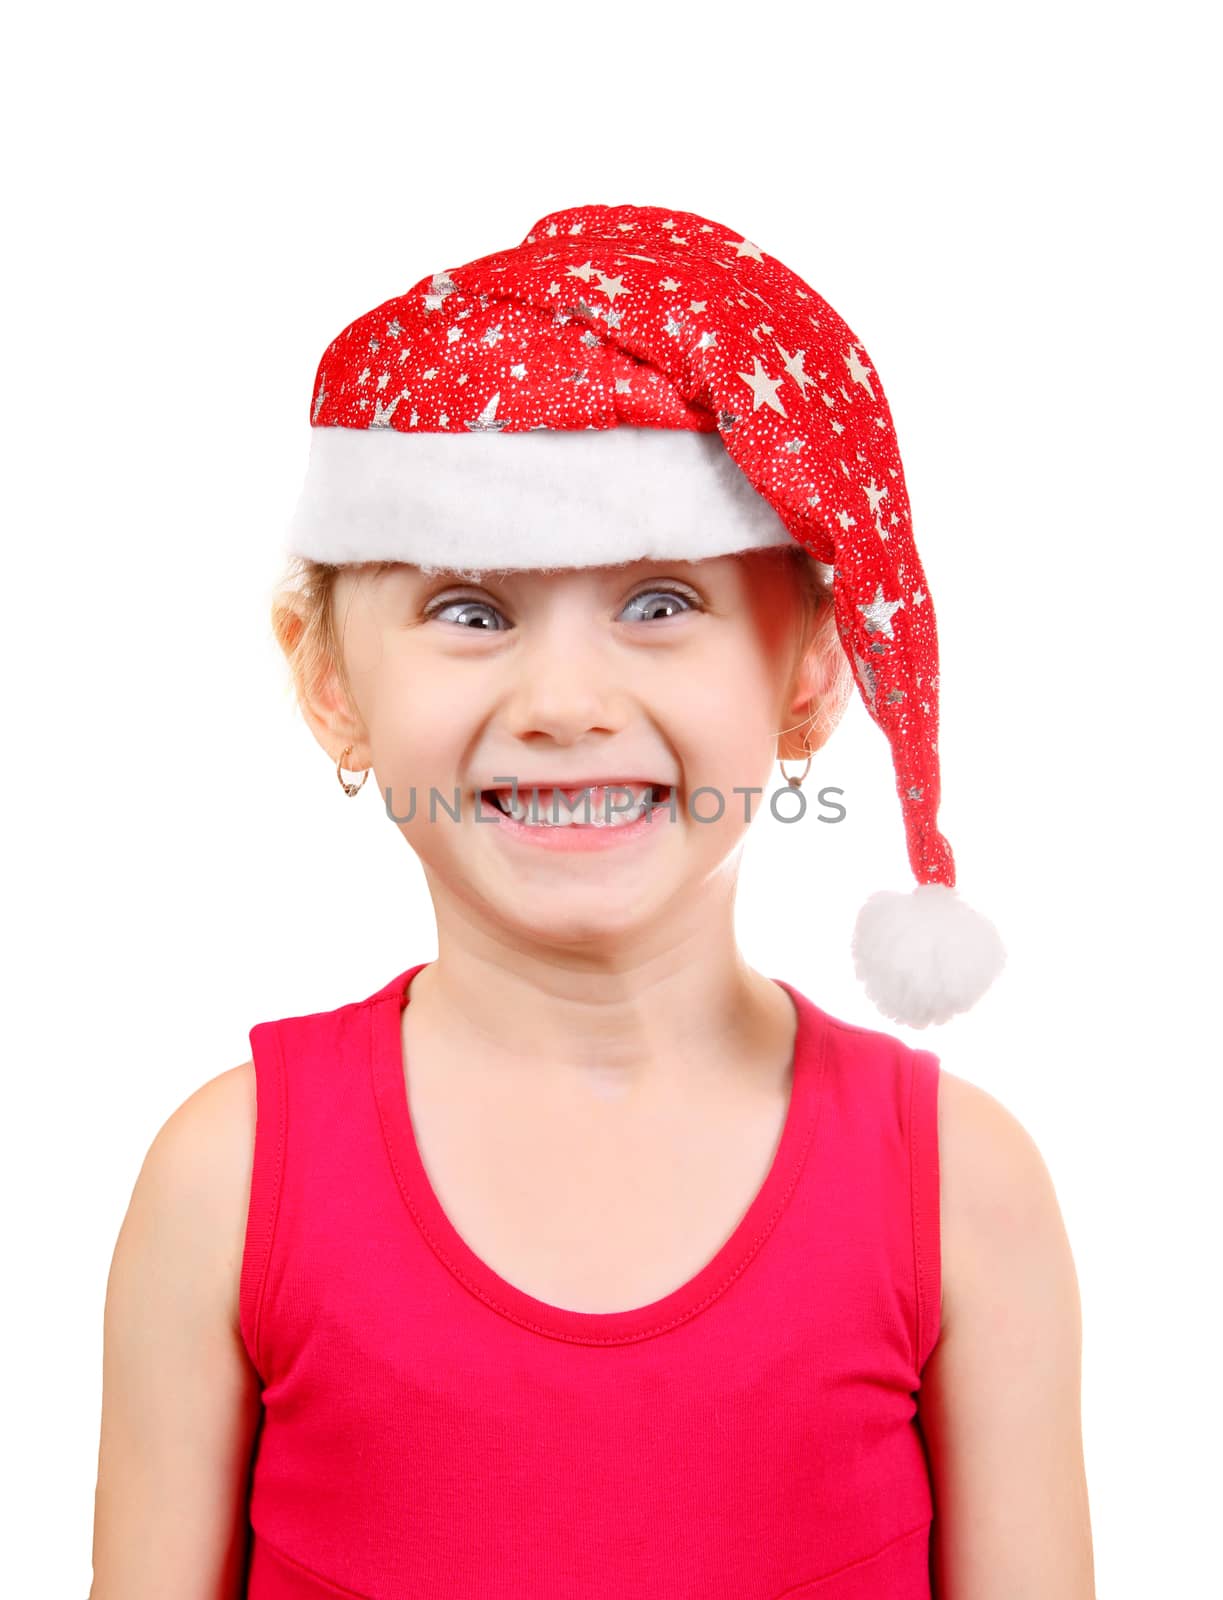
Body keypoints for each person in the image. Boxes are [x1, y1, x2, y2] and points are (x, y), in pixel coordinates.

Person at [89, 203, 1095, 1599]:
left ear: (808, 669)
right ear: (331, 683)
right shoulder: (227, 1179)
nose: (566, 706)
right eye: (470, 611)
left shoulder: (963, 1195)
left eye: (663, 600)